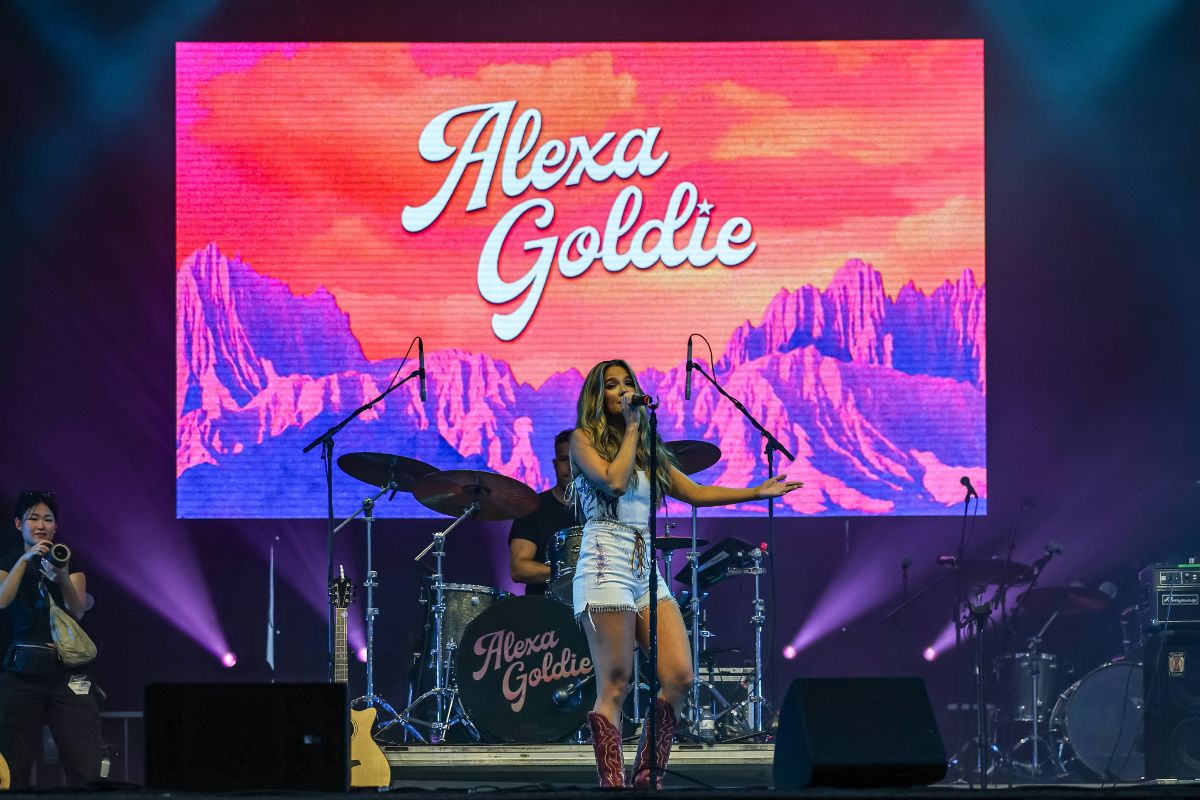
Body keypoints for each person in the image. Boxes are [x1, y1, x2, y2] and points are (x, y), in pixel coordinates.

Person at [570, 359, 801, 788]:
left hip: (643, 567)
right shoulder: (584, 441)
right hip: (605, 563)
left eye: (628, 383)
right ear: (597, 397)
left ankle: (646, 773)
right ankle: (613, 784)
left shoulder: (647, 450)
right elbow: (615, 484)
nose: (622, 390)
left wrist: (756, 490)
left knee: (680, 675)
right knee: (617, 681)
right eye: (611, 385)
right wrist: (635, 428)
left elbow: (693, 492)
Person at [0, 491, 102, 788]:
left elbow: (77, 610)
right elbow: (2, 600)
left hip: (67, 674)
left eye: (48, 519)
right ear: (19, 524)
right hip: (22, 672)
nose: (41, 525)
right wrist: (25, 560)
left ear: (56, 527)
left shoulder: (67, 558)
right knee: (11, 767)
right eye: (33, 518)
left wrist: (62, 577)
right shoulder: (7, 561)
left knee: (84, 764)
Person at [507, 429, 580, 596]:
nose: (570, 466)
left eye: (576, 460)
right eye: (564, 459)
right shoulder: (533, 507)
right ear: (555, 465)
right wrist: (571, 574)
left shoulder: (602, 509)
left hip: (594, 612)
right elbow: (518, 569)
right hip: (543, 612)